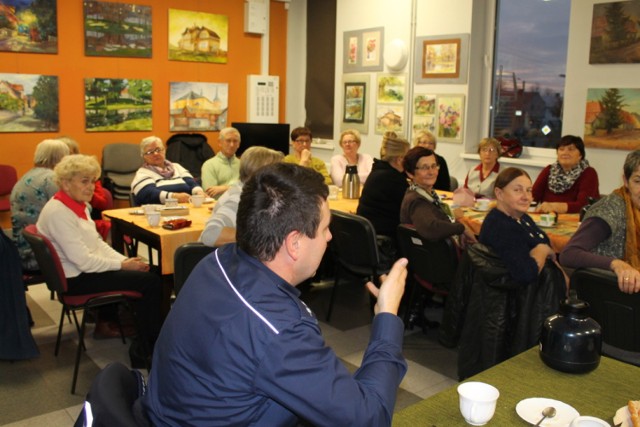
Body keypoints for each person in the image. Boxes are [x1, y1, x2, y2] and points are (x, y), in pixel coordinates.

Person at [143, 163, 409, 426]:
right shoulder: (279, 329)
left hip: (167, 412)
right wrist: (387, 317)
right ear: (294, 243)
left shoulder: (215, 262)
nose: (329, 238)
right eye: (326, 228)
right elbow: (369, 418)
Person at [37, 154, 162, 365]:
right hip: (76, 280)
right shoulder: (59, 213)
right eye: (84, 181)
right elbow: (84, 262)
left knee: (153, 271)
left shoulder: (77, 205)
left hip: (83, 271)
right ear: (66, 183)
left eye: (92, 181)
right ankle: (146, 350)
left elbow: (98, 244)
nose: (91, 188)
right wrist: (124, 265)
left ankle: (143, 328)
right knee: (152, 282)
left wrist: (127, 261)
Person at [560, 150, 640, 294]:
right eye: (638, 181)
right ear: (626, 181)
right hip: (610, 299)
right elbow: (569, 254)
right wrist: (616, 264)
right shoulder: (609, 211)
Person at [479, 167, 556, 284]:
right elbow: (526, 274)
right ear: (499, 194)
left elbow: (543, 240)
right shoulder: (501, 226)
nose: (526, 197)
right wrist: (542, 250)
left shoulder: (522, 217)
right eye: (517, 190)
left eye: (529, 190)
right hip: (519, 297)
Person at [199, 146, 284, 247]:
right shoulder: (239, 198)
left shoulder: (249, 191)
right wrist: (263, 236)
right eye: (277, 171)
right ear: (260, 173)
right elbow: (211, 234)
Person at [11, 139, 70, 272]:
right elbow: (75, 210)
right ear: (61, 158)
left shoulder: (28, 175)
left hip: (23, 249)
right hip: (40, 254)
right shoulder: (52, 179)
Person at [400, 146, 476, 244]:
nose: (431, 172)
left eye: (434, 166)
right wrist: (461, 228)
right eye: (424, 167)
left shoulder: (427, 194)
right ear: (410, 173)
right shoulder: (417, 200)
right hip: (433, 255)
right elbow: (431, 227)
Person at [357, 131, 410, 239]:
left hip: (369, 238)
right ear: (400, 159)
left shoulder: (377, 172)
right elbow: (410, 212)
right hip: (387, 242)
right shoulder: (394, 180)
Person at [532, 135, 600, 214]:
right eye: (561, 149)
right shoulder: (548, 170)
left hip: (575, 222)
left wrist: (554, 207)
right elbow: (532, 197)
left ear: (580, 155)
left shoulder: (589, 173)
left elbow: (584, 206)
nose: (565, 152)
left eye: (571, 149)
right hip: (546, 220)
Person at [131, 136, 204, 205]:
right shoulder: (143, 173)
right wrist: (174, 197)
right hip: (158, 212)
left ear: (164, 150)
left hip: (187, 208)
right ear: (144, 156)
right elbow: (147, 194)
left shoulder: (176, 167)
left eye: (158, 149)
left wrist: (199, 192)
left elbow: (192, 183)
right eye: (150, 152)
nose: (156, 154)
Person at [200, 127, 241, 199]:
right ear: (220, 143)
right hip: (218, 207)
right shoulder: (209, 165)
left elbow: (247, 189)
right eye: (228, 141)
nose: (232, 144)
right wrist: (236, 188)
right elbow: (210, 194)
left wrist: (225, 188)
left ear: (238, 144)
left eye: (235, 141)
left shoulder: (243, 165)